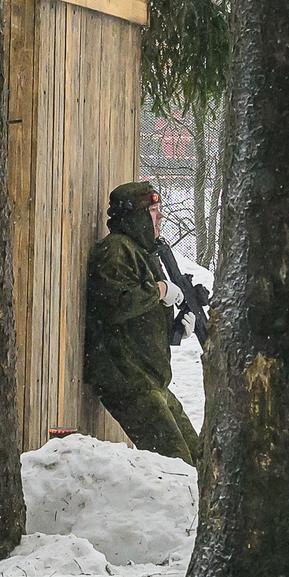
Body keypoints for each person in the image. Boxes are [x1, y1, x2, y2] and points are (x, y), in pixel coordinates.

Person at [83, 181, 200, 465]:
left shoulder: (141, 252)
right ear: (136, 216)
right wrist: (160, 290)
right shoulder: (116, 250)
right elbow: (116, 304)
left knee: (199, 458)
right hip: (128, 380)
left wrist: (177, 328)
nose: (160, 217)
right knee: (178, 464)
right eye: (153, 210)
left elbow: (141, 317)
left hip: (150, 380)